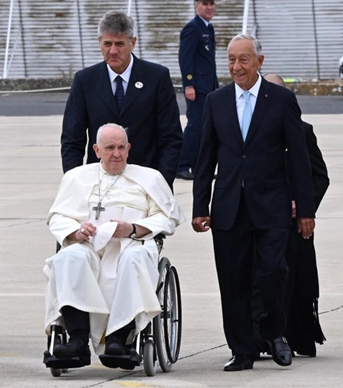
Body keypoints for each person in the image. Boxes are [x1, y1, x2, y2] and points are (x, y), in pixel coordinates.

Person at [191, 34, 316, 372]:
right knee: (233, 282)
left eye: (243, 59)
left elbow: (300, 159)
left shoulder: (281, 99)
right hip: (229, 207)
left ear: (260, 62)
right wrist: (200, 206)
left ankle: (274, 333)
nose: (236, 67)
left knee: (274, 272)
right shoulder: (215, 101)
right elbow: (206, 158)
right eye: (231, 60)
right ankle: (243, 350)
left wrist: (305, 209)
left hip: (272, 206)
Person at [44, 123, 185, 366]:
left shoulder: (150, 178)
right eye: (110, 148)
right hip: (88, 245)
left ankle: (119, 338)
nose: (116, 153)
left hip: (131, 244)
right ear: (97, 150)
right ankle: (77, 340)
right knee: (68, 258)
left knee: (133, 260)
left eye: (121, 147)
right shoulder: (76, 177)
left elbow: (168, 218)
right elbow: (57, 218)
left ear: (129, 148)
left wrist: (132, 229)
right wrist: (77, 231)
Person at [61, 10, 183, 190]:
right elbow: (72, 140)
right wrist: (77, 185)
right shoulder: (84, 81)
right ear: (99, 42)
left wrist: (161, 184)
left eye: (119, 44)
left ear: (133, 43)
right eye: (107, 44)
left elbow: (171, 138)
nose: (113, 51)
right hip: (98, 186)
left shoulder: (157, 78)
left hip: (147, 184)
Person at [256, 73, 329, 357]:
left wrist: (303, 205)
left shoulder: (303, 130)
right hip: (261, 218)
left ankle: (293, 334)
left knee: (296, 279)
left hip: (294, 223)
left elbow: (319, 176)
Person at [176, 0, 219, 180]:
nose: (209, 7)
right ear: (196, 6)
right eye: (205, 3)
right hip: (197, 87)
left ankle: (196, 164)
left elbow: (208, 61)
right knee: (195, 125)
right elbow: (185, 58)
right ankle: (182, 164)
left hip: (207, 86)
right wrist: (189, 84)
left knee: (204, 127)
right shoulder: (192, 28)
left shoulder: (207, 27)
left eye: (212, 3)